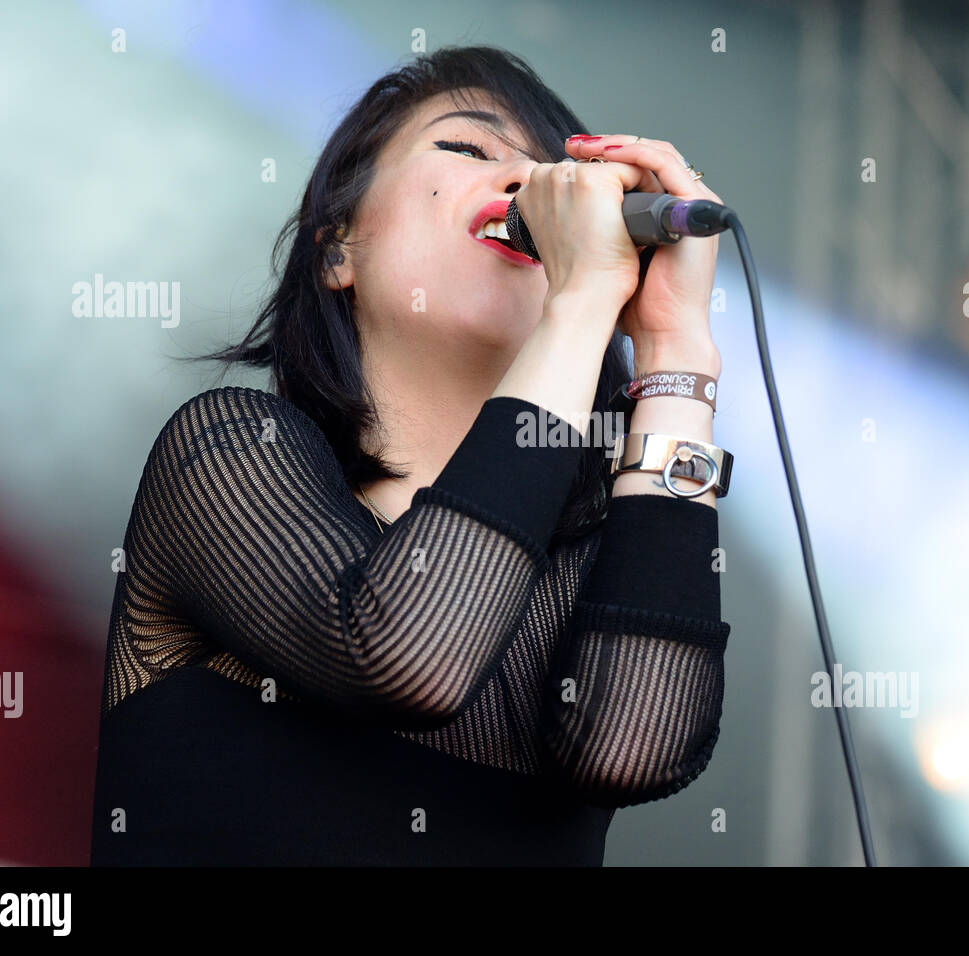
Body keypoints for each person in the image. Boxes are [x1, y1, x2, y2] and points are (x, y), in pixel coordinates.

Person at [89, 45, 733, 866]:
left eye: (552, 173)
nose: (532, 187)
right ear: (337, 250)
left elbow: (635, 750)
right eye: (468, 150)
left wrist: (676, 344)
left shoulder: (590, 557)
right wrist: (578, 303)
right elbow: (405, 653)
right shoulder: (228, 451)